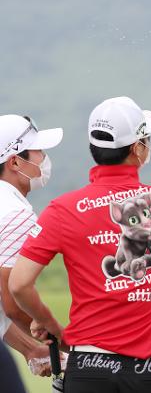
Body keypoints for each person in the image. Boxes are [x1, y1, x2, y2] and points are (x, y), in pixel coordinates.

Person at [9, 96, 151, 393]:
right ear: (137, 149)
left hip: (89, 370)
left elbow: (18, 284)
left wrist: (51, 326)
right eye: (145, 139)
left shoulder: (63, 209)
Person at [0, 114, 62, 377]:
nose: (44, 159)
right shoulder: (15, 215)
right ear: (15, 161)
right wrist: (62, 343)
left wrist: (30, 349)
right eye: (39, 152)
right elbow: (12, 302)